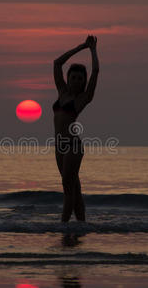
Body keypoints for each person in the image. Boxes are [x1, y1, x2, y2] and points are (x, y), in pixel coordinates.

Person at [53, 35, 99, 222]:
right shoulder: (62, 92)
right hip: (59, 146)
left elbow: (96, 71)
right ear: (68, 78)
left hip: (73, 146)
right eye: (74, 77)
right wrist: (80, 47)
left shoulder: (83, 99)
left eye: (81, 78)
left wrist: (93, 50)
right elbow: (57, 63)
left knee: (67, 186)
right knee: (75, 188)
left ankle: (63, 225)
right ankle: (81, 224)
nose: (77, 80)